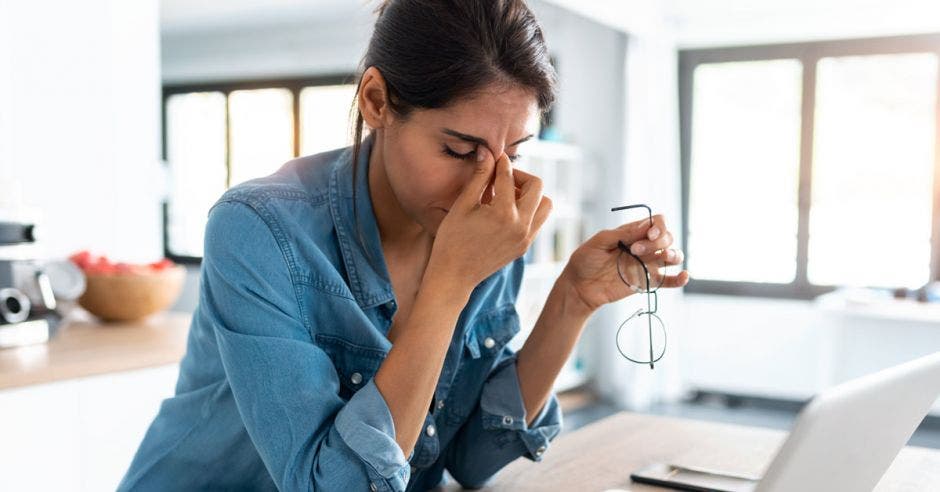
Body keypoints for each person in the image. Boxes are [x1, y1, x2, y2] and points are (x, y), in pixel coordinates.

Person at [118, 0, 689, 490]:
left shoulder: (486, 227)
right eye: (460, 151)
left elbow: (469, 458)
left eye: (514, 153)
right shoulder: (259, 229)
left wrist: (572, 300)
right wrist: (450, 283)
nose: (488, 186)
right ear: (375, 101)